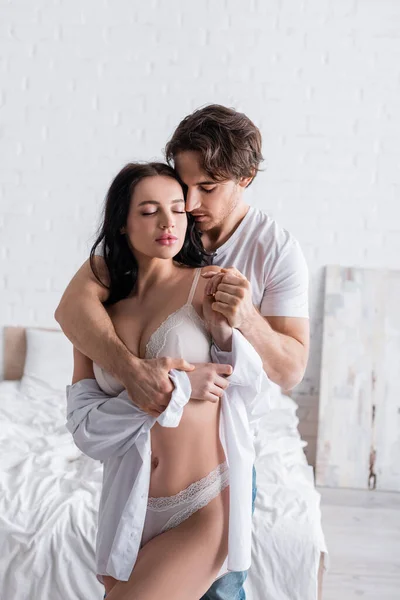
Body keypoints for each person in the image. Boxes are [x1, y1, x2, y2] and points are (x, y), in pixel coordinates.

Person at [56, 104, 327, 599]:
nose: (186, 206)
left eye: (206, 189)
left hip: (212, 482)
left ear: (245, 179)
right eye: (183, 187)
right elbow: (70, 315)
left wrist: (243, 320)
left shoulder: (271, 253)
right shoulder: (119, 271)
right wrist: (140, 376)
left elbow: (286, 371)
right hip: (131, 497)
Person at [65, 161, 267, 599]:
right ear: (122, 223)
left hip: (204, 503)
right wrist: (176, 390)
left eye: (177, 210)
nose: (167, 222)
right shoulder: (95, 322)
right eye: (149, 210)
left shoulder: (209, 285)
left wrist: (226, 333)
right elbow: (86, 431)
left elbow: (254, 386)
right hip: (128, 510)